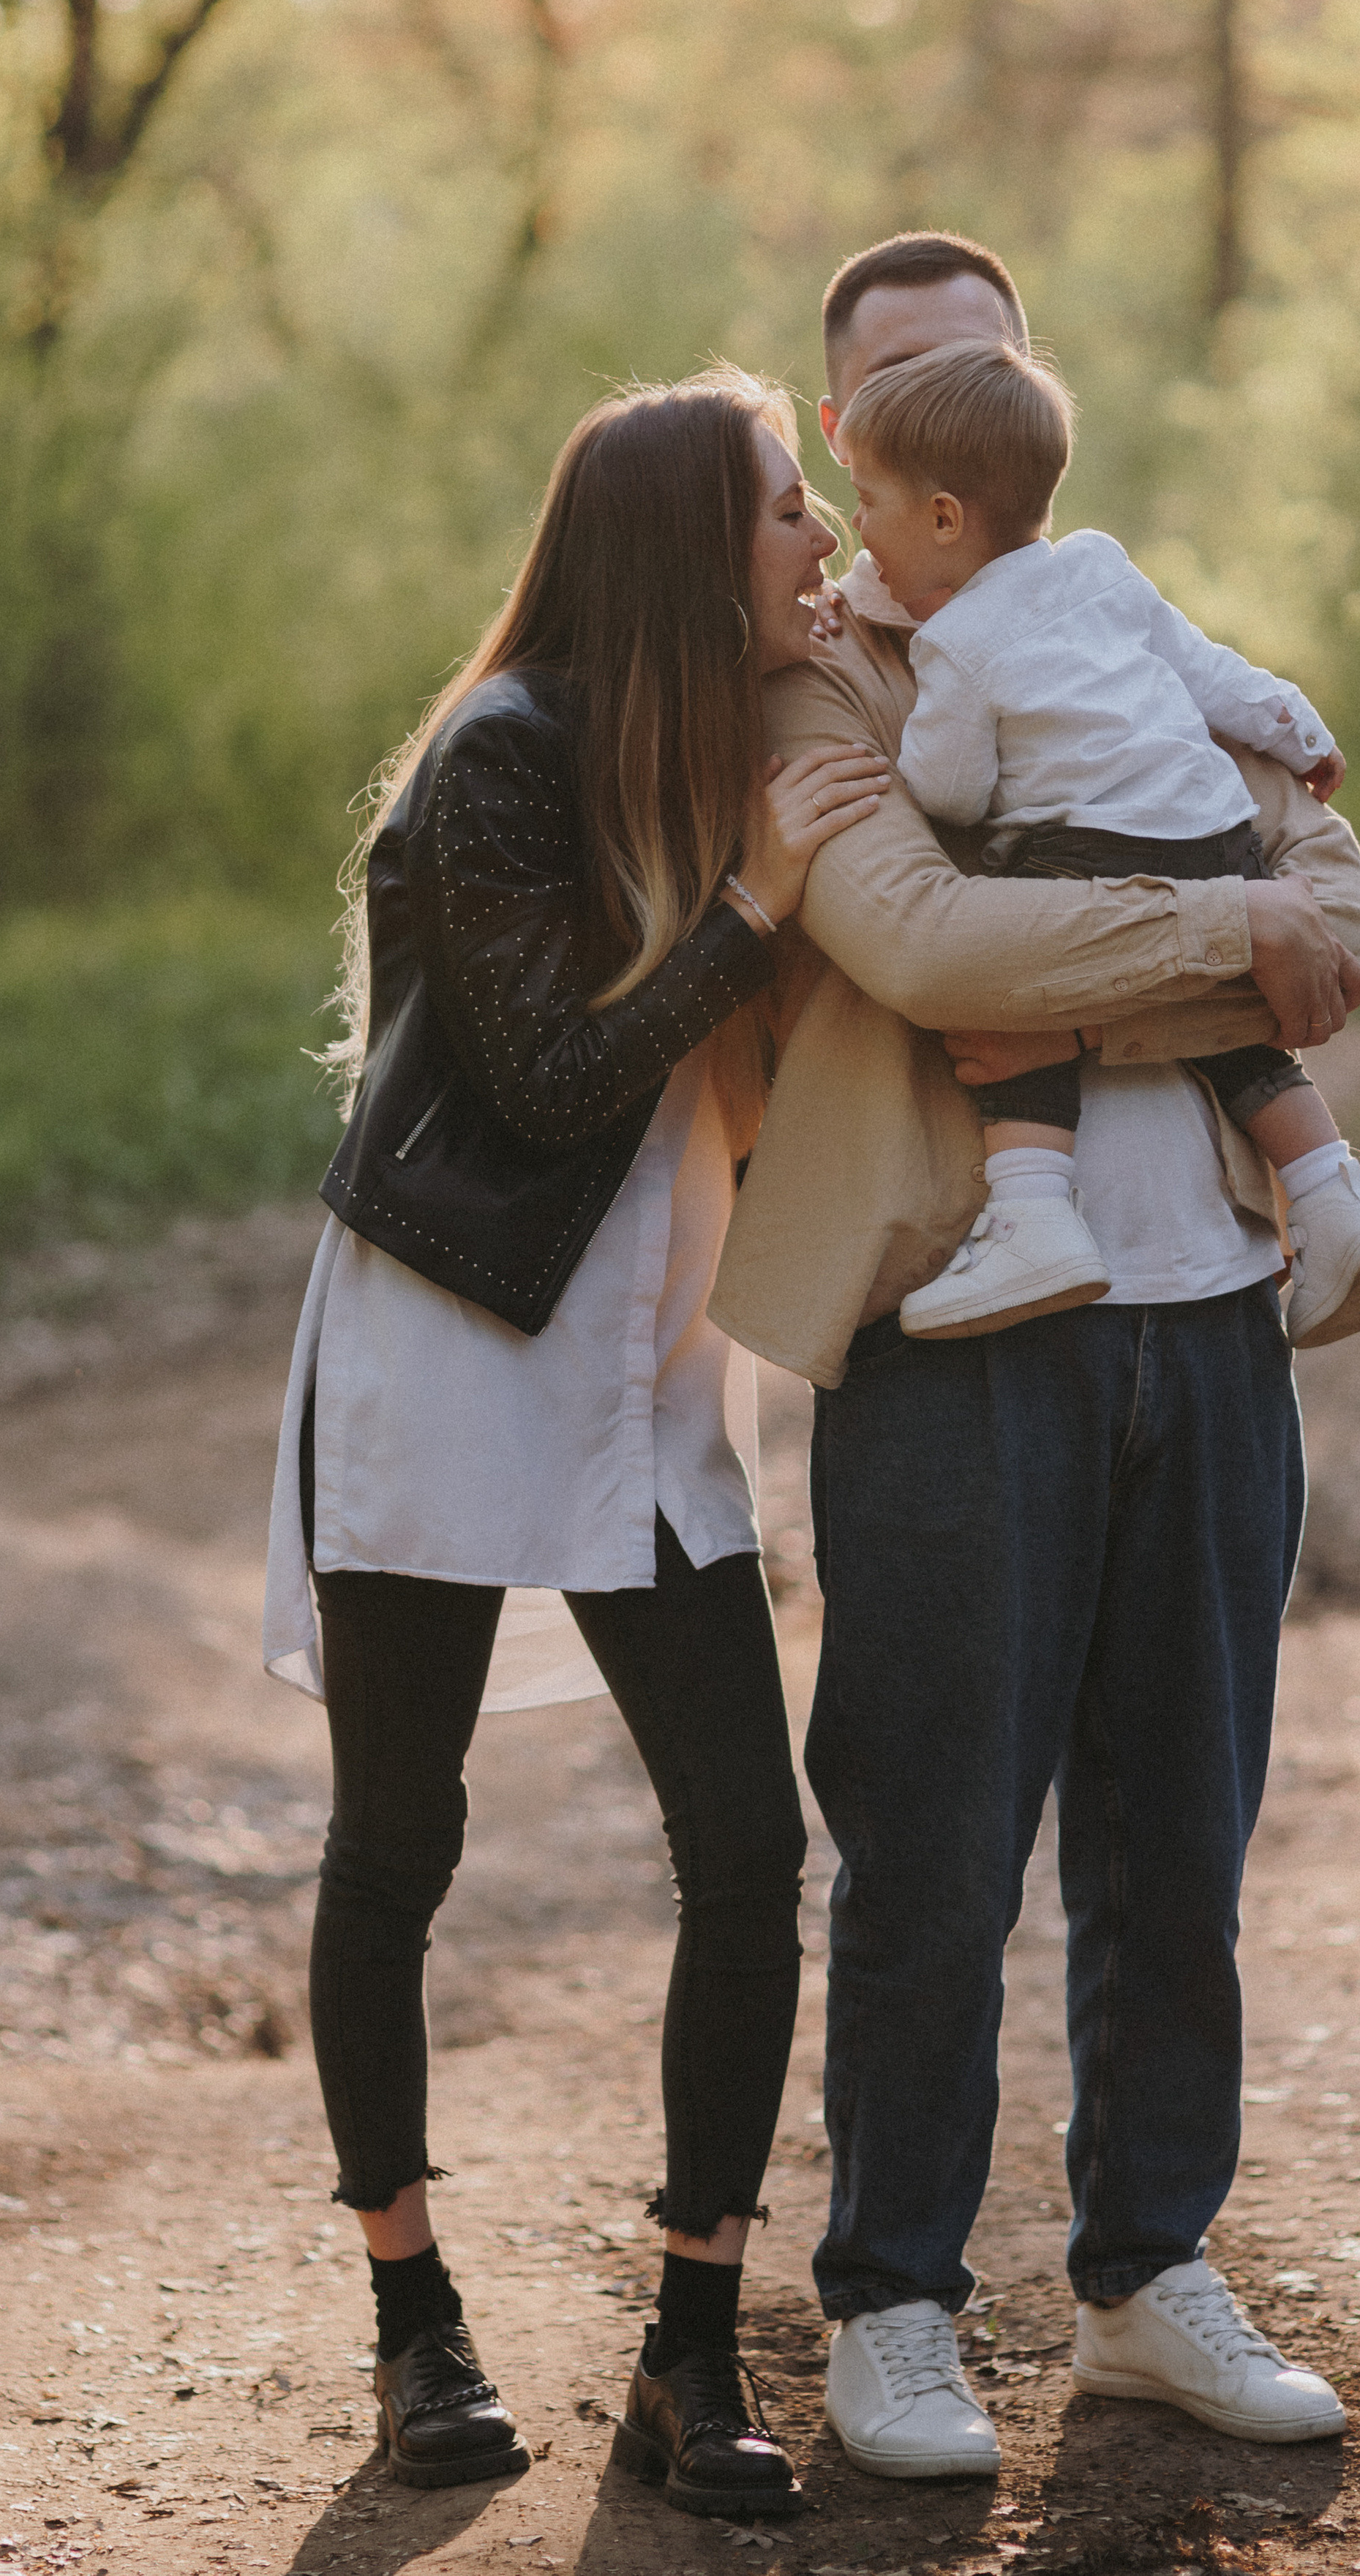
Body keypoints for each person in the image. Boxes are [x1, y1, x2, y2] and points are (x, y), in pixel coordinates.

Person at [708, 231, 1360, 2475]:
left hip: (1207, 1316)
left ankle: (1145, 2273)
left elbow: (1356, 922)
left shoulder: (1110, 617)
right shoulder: (808, 684)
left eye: (974, 367)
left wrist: (1103, 964)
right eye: (893, 381)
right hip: (952, 1321)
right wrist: (1222, 936)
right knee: (926, 1843)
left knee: (1179, 1831)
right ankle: (894, 2300)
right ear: (847, 435)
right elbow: (917, 945)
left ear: (1018, 403)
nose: (932, 410)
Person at [258, 367, 888, 2510]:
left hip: (639, 1372)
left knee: (746, 1843)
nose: (819, 542)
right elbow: (539, 1079)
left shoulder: (731, 737)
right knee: (399, 1839)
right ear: (678, 551)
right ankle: (413, 2321)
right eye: (787, 512)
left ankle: (692, 2346)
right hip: (443, 1344)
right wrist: (753, 911)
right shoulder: (503, 753)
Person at [830, 333, 1360, 1348]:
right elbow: (1211, 673)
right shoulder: (1101, 566)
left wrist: (914, 744)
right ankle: (1333, 1189)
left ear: (942, 518)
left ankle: (1032, 1213)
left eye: (869, 501)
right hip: (1218, 834)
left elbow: (952, 790)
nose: (856, 527)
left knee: (1027, 965)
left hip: (1093, 855)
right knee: (1244, 1033)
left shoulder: (956, 645)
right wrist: (1298, 731)